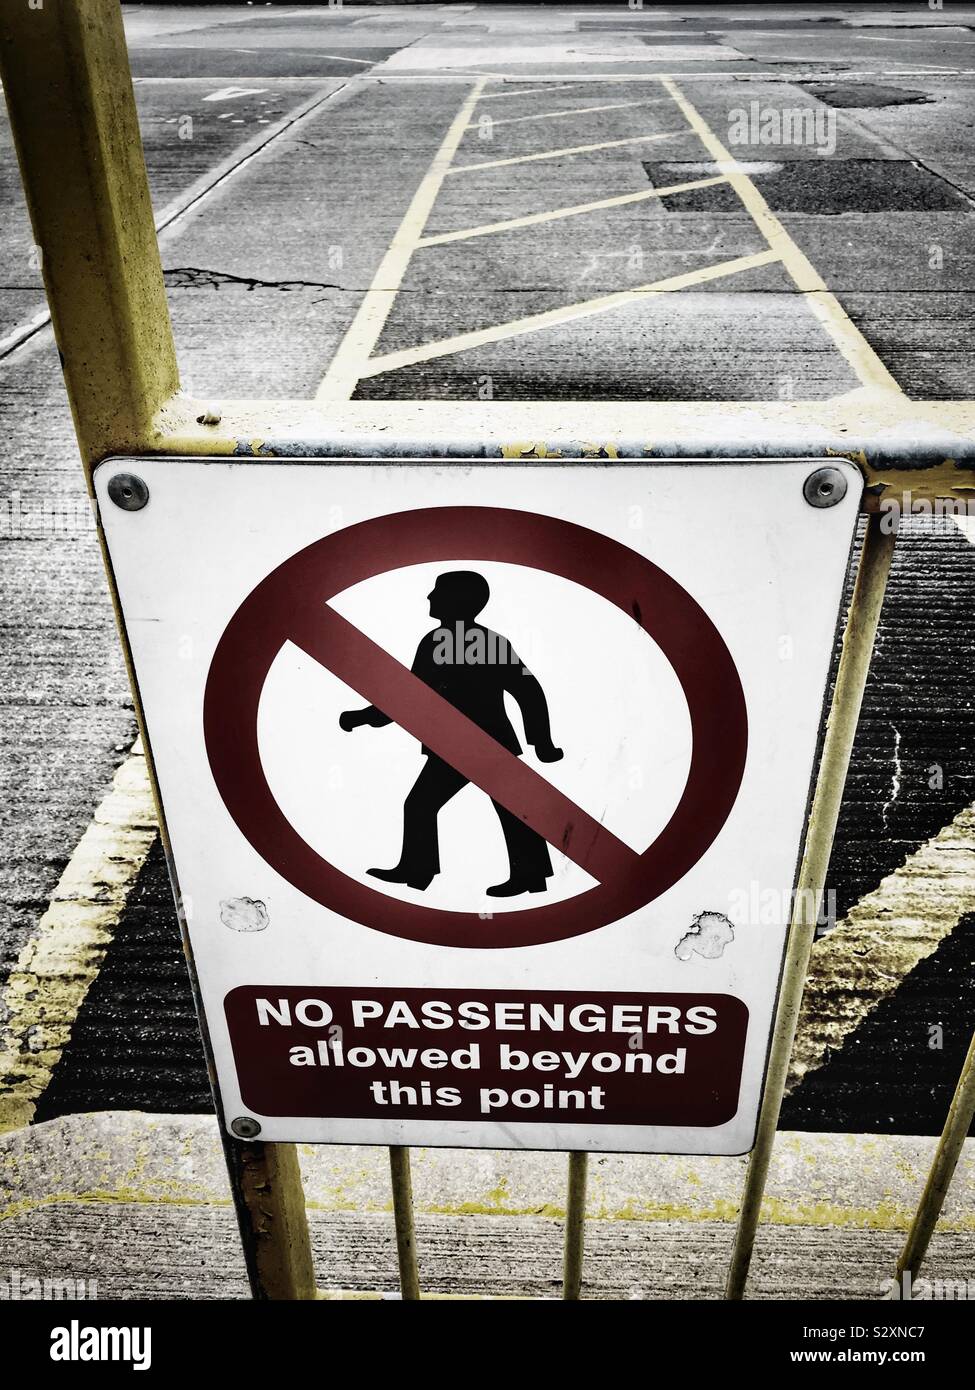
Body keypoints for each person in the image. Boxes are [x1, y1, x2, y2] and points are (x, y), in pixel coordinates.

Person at [340, 570, 563, 897]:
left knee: (426, 805)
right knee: (500, 808)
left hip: (464, 745)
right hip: (479, 743)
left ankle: (421, 871)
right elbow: (527, 691)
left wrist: (365, 717)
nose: (429, 597)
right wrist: (541, 742)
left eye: (437, 592)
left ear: (456, 600)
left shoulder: (439, 642)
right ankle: (425, 870)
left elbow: (406, 696)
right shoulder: (488, 641)